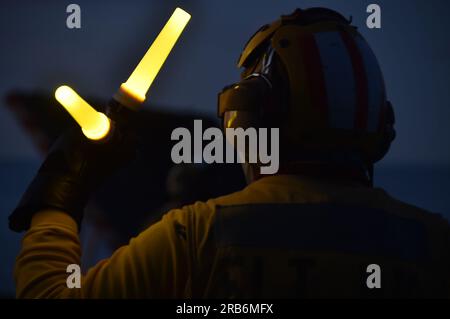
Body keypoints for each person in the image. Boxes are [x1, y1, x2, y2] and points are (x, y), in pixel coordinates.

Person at [9, 7, 450, 298]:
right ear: (379, 126)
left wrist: (60, 194)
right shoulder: (433, 244)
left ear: (249, 116)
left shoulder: (199, 235)